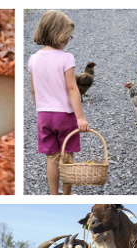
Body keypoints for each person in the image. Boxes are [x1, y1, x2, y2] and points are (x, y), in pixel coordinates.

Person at [29, 10, 90, 195]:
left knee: (51, 158)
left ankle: (54, 195)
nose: (69, 40)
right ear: (59, 35)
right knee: (67, 156)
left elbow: (33, 90)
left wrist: (40, 109)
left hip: (44, 115)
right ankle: (66, 195)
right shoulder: (66, 58)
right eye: (68, 36)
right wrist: (80, 117)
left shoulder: (33, 59)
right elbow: (72, 89)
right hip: (65, 116)